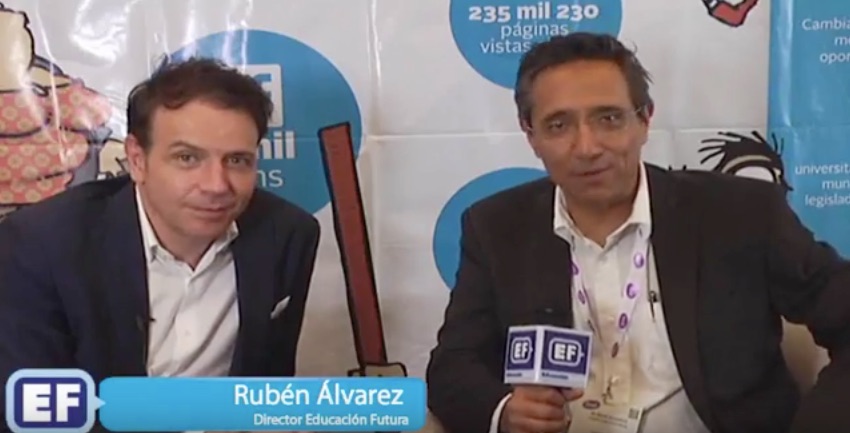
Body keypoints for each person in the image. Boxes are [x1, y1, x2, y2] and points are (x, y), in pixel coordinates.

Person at [426, 32, 850, 433]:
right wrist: (505, 411)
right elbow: (452, 365)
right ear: (530, 134)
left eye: (609, 118)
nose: (587, 147)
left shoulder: (740, 213)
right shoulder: (497, 227)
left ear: (644, 120)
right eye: (558, 125)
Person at [0, 58, 321, 420]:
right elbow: (33, 411)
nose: (216, 185)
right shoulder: (40, 244)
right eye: (187, 158)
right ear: (137, 160)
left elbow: (268, 390)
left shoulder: (288, 235)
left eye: (237, 161)